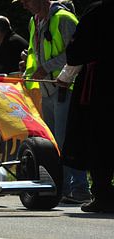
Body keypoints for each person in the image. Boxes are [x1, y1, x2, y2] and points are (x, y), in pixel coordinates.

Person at [17, 0, 90, 203]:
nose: (24, 5)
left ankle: (79, 188)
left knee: (67, 139)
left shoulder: (64, 18)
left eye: (26, 1)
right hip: (47, 88)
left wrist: (46, 67)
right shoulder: (35, 20)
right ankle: (63, 187)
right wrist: (28, 69)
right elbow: (34, 51)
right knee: (53, 142)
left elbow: (76, 52)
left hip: (65, 86)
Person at [56, 1, 112, 212]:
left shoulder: (98, 10)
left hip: (102, 85)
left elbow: (77, 51)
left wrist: (67, 74)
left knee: (100, 138)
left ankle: (103, 194)